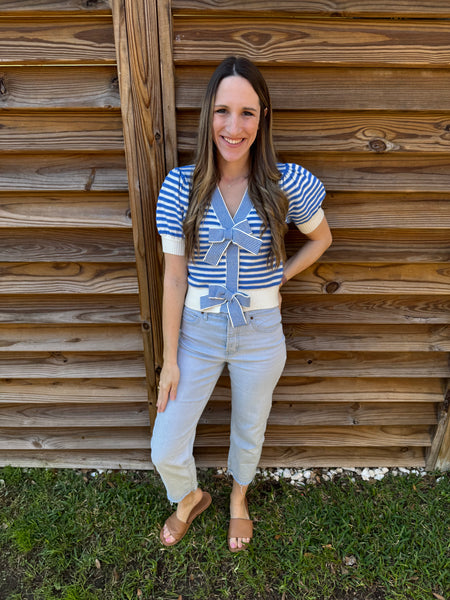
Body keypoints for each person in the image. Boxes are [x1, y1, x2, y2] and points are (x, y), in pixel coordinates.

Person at [151, 56, 332, 551]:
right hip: (196, 330)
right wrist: (170, 361)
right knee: (165, 444)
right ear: (208, 114)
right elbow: (172, 277)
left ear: (264, 116)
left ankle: (237, 500)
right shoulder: (180, 187)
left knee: (249, 427)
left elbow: (321, 240)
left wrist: (280, 277)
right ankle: (189, 498)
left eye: (247, 113)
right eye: (223, 111)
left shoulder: (286, 182)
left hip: (260, 330)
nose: (234, 127)